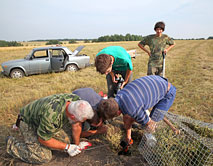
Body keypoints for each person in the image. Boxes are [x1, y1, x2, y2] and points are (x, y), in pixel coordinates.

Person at [6, 93, 94, 164]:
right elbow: (43, 139)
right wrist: (67, 147)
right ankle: (11, 144)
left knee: (67, 139)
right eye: (80, 120)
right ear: (72, 116)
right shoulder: (52, 117)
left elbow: (76, 125)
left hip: (43, 119)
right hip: (28, 121)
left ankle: (45, 133)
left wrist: (76, 145)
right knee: (43, 157)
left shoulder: (76, 101)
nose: (81, 123)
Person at [97, 75, 176, 144]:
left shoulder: (133, 110)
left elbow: (149, 123)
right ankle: (133, 135)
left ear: (118, 113)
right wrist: (128, 136)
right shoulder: (119, 96)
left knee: (153, 121)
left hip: (167, 91)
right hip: (155, 80)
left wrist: (147, 127)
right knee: (135, 115)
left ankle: (151, 141)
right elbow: (127, 117)